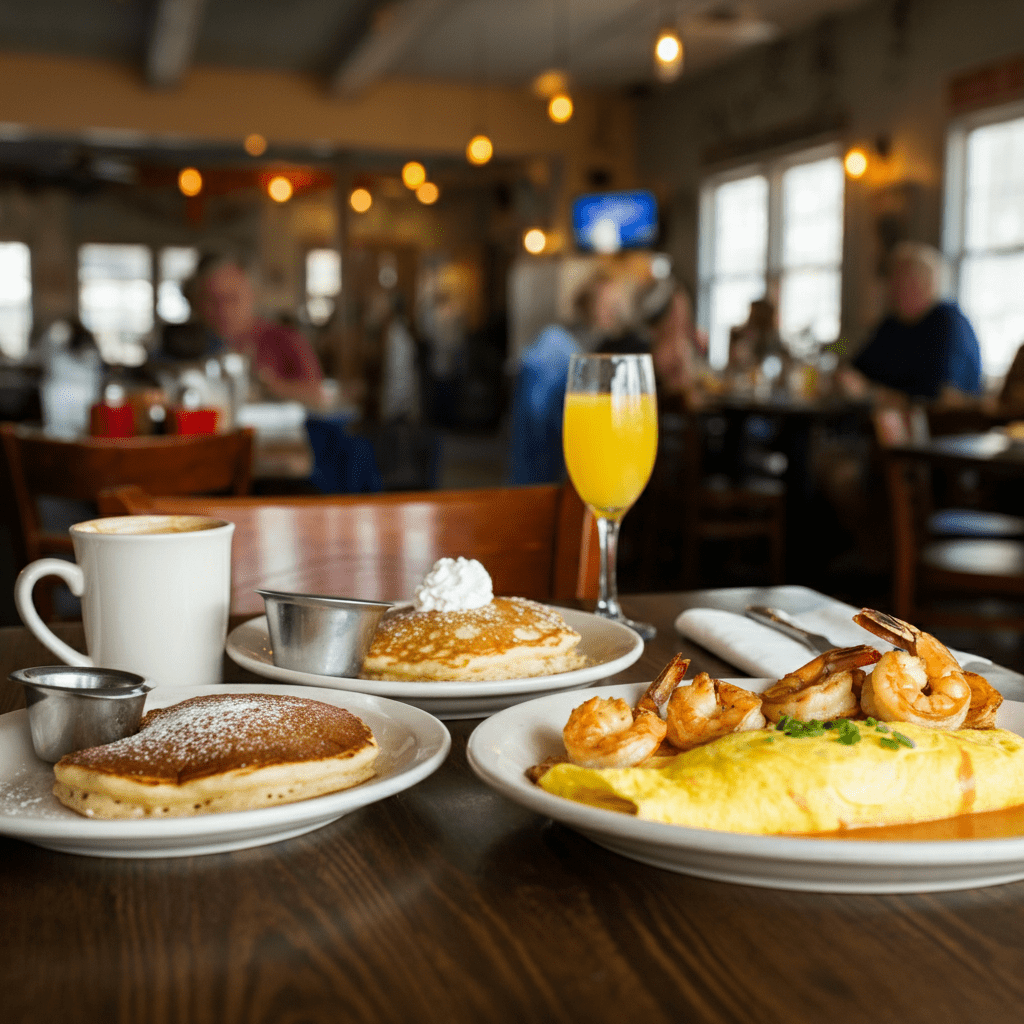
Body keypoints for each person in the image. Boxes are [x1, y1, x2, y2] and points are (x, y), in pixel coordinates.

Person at [842, 242, 983, 403]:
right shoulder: (891, 325)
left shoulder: (946, 322)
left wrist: (872, 392)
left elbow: (938, 396)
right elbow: (854, 362)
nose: (892, 290)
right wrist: (833, 352)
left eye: (903, 282)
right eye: (892, 281)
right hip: (884, 420)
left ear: (928, 284)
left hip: (945, 425)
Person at [185, 252, 329, 407]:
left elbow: (318, 396)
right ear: (197, 303)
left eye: (232, 299)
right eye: (211, 300)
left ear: (253, 295)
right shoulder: (184, 344)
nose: (223, 310)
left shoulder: (286, 340)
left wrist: (271, 386)